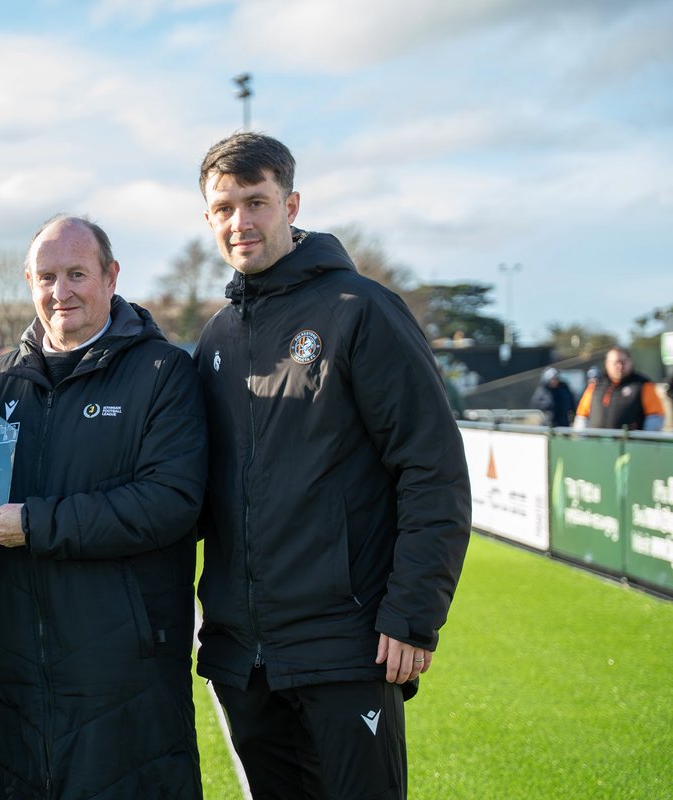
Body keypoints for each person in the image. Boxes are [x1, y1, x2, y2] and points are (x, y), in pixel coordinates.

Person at [192, 132, 472, 799]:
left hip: (346, 647)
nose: (241, 222)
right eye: (224, 208)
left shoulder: (360, 311)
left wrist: (411, 615)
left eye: (255, 202)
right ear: (208, 219)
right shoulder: (217, 337)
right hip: (242, 656)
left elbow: (431, 471)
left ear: (289, 204)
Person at [0, 215, 208, 798]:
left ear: (111, 276)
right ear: (28, 281)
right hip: (15, 668)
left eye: (76, 274)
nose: (59, 291)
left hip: (124, 670)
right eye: (46, 276)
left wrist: (34, 525)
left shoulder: (162, 373)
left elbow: (171, 503)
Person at [573, 346, 665, 431]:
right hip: (596, 446)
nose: (619, 366)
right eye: (615, 362)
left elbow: (655, 419)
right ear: (607, 363)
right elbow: (582, 417)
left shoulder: (644, 385)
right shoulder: (595, 386)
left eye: (623, 362)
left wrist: (644, 444)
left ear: (630, 362)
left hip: (629, 447)